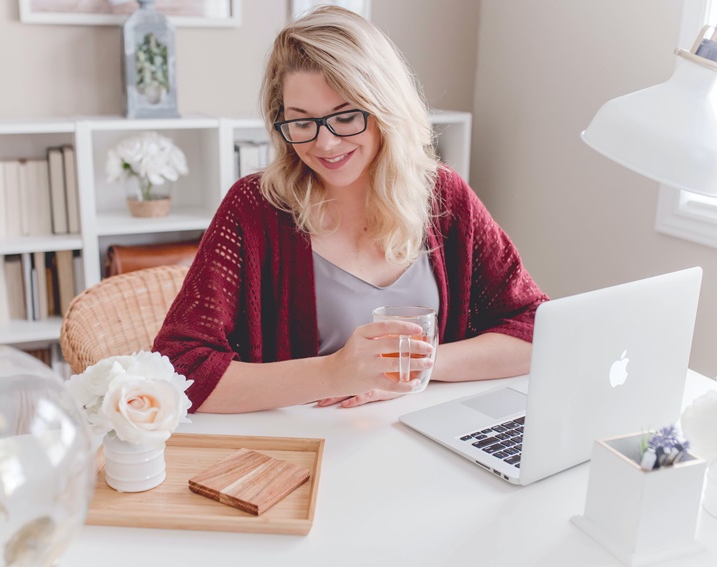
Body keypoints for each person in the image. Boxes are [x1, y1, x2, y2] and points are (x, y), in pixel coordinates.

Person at [153, 6, 548, 413]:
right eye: (301, 121)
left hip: (422, 440)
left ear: (385, 109)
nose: (324, 144)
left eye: (345, 116)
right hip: (304, 452)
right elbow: (178, 369)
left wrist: (414, 367)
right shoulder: (254, 209)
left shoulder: (443, 197)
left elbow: (537, 328)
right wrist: (335, 372)